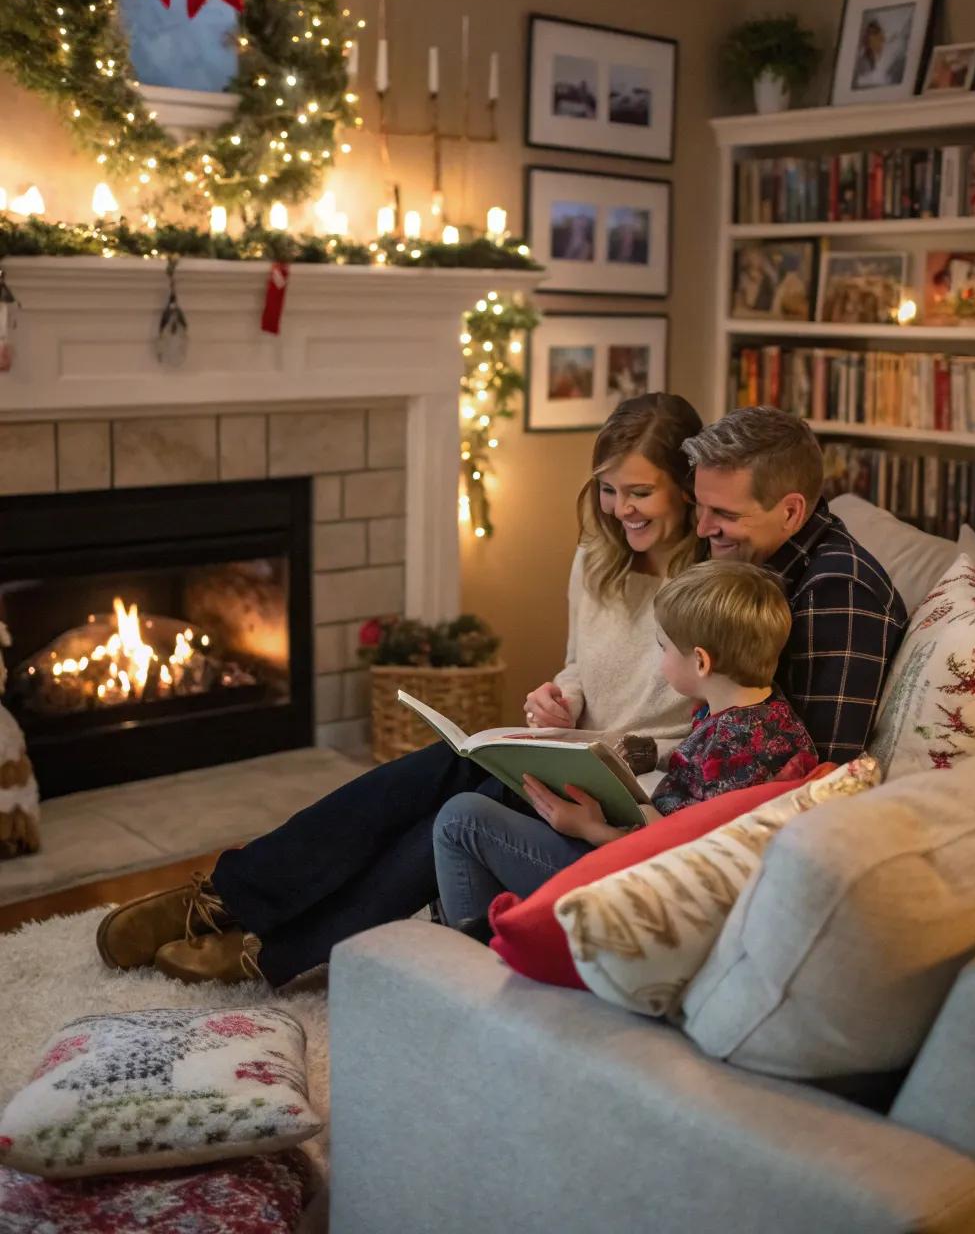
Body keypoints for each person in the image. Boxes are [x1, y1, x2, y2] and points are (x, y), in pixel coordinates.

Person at [95, 391, 705, 987]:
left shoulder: (710, 591)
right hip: (570, 749)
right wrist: (560, 697)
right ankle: (239, 911)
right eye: (608, 490)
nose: (620, 509)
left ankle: (251, 927)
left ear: (685, 486)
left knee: (450, 799)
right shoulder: (596, 558)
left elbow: (707, 719)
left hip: (630, 789)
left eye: (640, 492)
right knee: (442, 766)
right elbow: (577, 666)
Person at [432, 559, 817, 930]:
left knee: (460, 819)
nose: (661, 658)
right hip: (631, 851)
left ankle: (476, 954)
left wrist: (588, 829)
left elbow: (678, 859)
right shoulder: (770, 719)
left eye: (663, 648)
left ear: (700, 662)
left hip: (632, 884)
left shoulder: (733, 746)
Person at [682, 405, 907, 762]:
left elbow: (817, 768)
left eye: (725, 514)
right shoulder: (753, 561)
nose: (702, 528)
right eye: (700, 506)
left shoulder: (839, 591)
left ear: (791, 512)